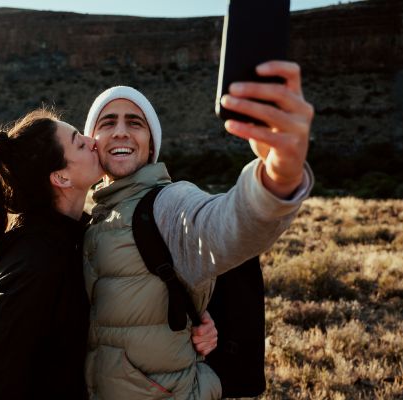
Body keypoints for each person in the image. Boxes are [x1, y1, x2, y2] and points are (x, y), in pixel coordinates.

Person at [81, 61, 315, 399]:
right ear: (93, 141)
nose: (120, 131)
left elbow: (227, 224)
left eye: (135, 123)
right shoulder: (95, 220)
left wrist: (280, 175)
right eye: (107, 122)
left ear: (151, 146)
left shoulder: (167, 204)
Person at [0, 109, 218, 399]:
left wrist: (199, 320)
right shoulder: (32, 262)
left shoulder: (84, 235)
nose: (91, 141)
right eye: (78, 142)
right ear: (61, 177)